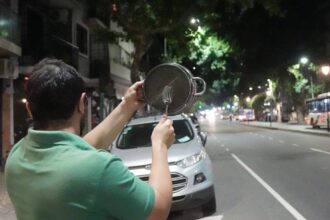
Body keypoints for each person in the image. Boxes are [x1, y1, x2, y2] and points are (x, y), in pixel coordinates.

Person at [5, 58, 175, 220]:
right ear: (81, 103)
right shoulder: (100, 169)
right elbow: (157, 210)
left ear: (29, 108)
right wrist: (160, 145)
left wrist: (126, 107)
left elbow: (76, 152)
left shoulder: (16, 156)